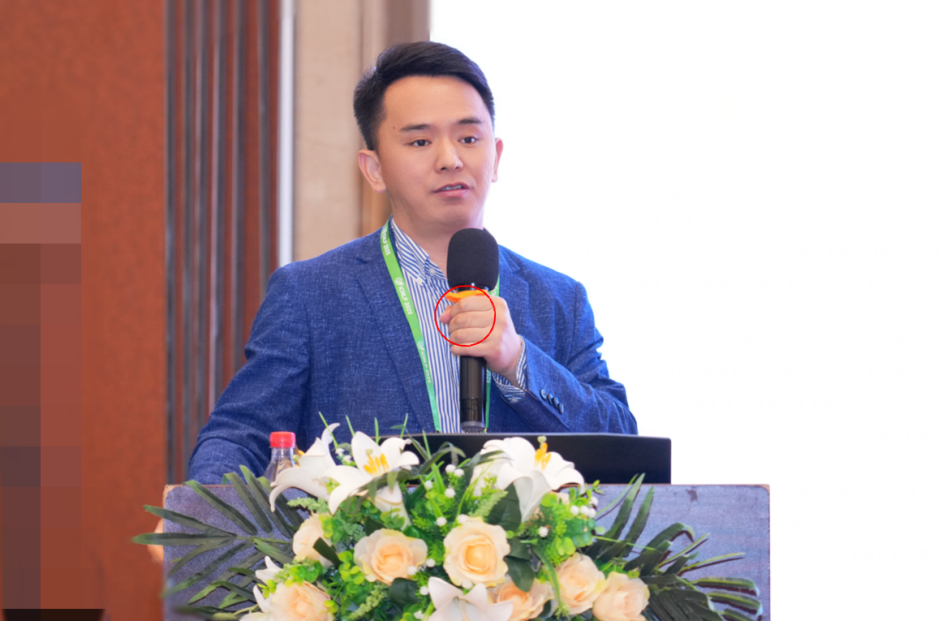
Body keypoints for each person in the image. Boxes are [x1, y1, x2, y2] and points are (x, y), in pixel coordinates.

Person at [188, 41, 636, 484]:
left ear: (496, 156)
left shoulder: (558, 299)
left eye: (468, 138)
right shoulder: (310, 294)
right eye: (420, 141)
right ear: (374, 169)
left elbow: (623, 445)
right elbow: (238, 436)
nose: (450, 159)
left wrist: (517, 359)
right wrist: (200, 510)